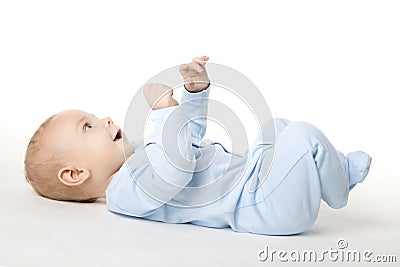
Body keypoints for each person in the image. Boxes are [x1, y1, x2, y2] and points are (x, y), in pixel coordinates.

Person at [24, 56, 371, 235]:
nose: (106, 120)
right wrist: (163, 111)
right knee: (303, 137)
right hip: (260, 207)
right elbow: (175, 170)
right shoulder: (123, 191)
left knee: (275, 128)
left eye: (96, 117)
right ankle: (339, 185)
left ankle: (332, 172)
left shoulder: (143, 154)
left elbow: (185, 142)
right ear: (75, 174)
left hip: (252, 178)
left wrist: (193, 94)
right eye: (88, 127)